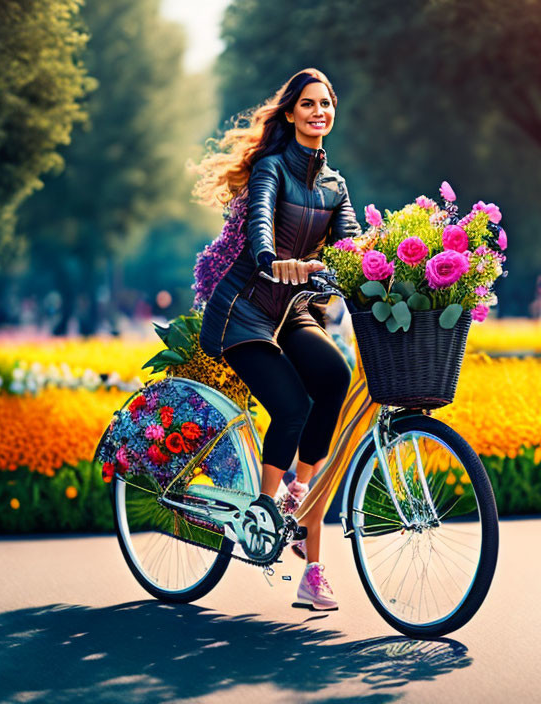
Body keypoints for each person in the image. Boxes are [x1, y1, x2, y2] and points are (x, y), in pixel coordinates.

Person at [191, 68, 362, 610]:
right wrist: (271, 259)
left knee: (334, 375)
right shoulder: (271, 169)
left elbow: (352, 245)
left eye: (326, 105)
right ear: (290, 114)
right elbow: (260, 224)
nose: (319, 112)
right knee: (290, 406)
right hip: (242, 313)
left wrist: (376, 272)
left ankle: (297, 495)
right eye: (308, 104)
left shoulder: (336, 185)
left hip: (289, 312)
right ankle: (267, 510)